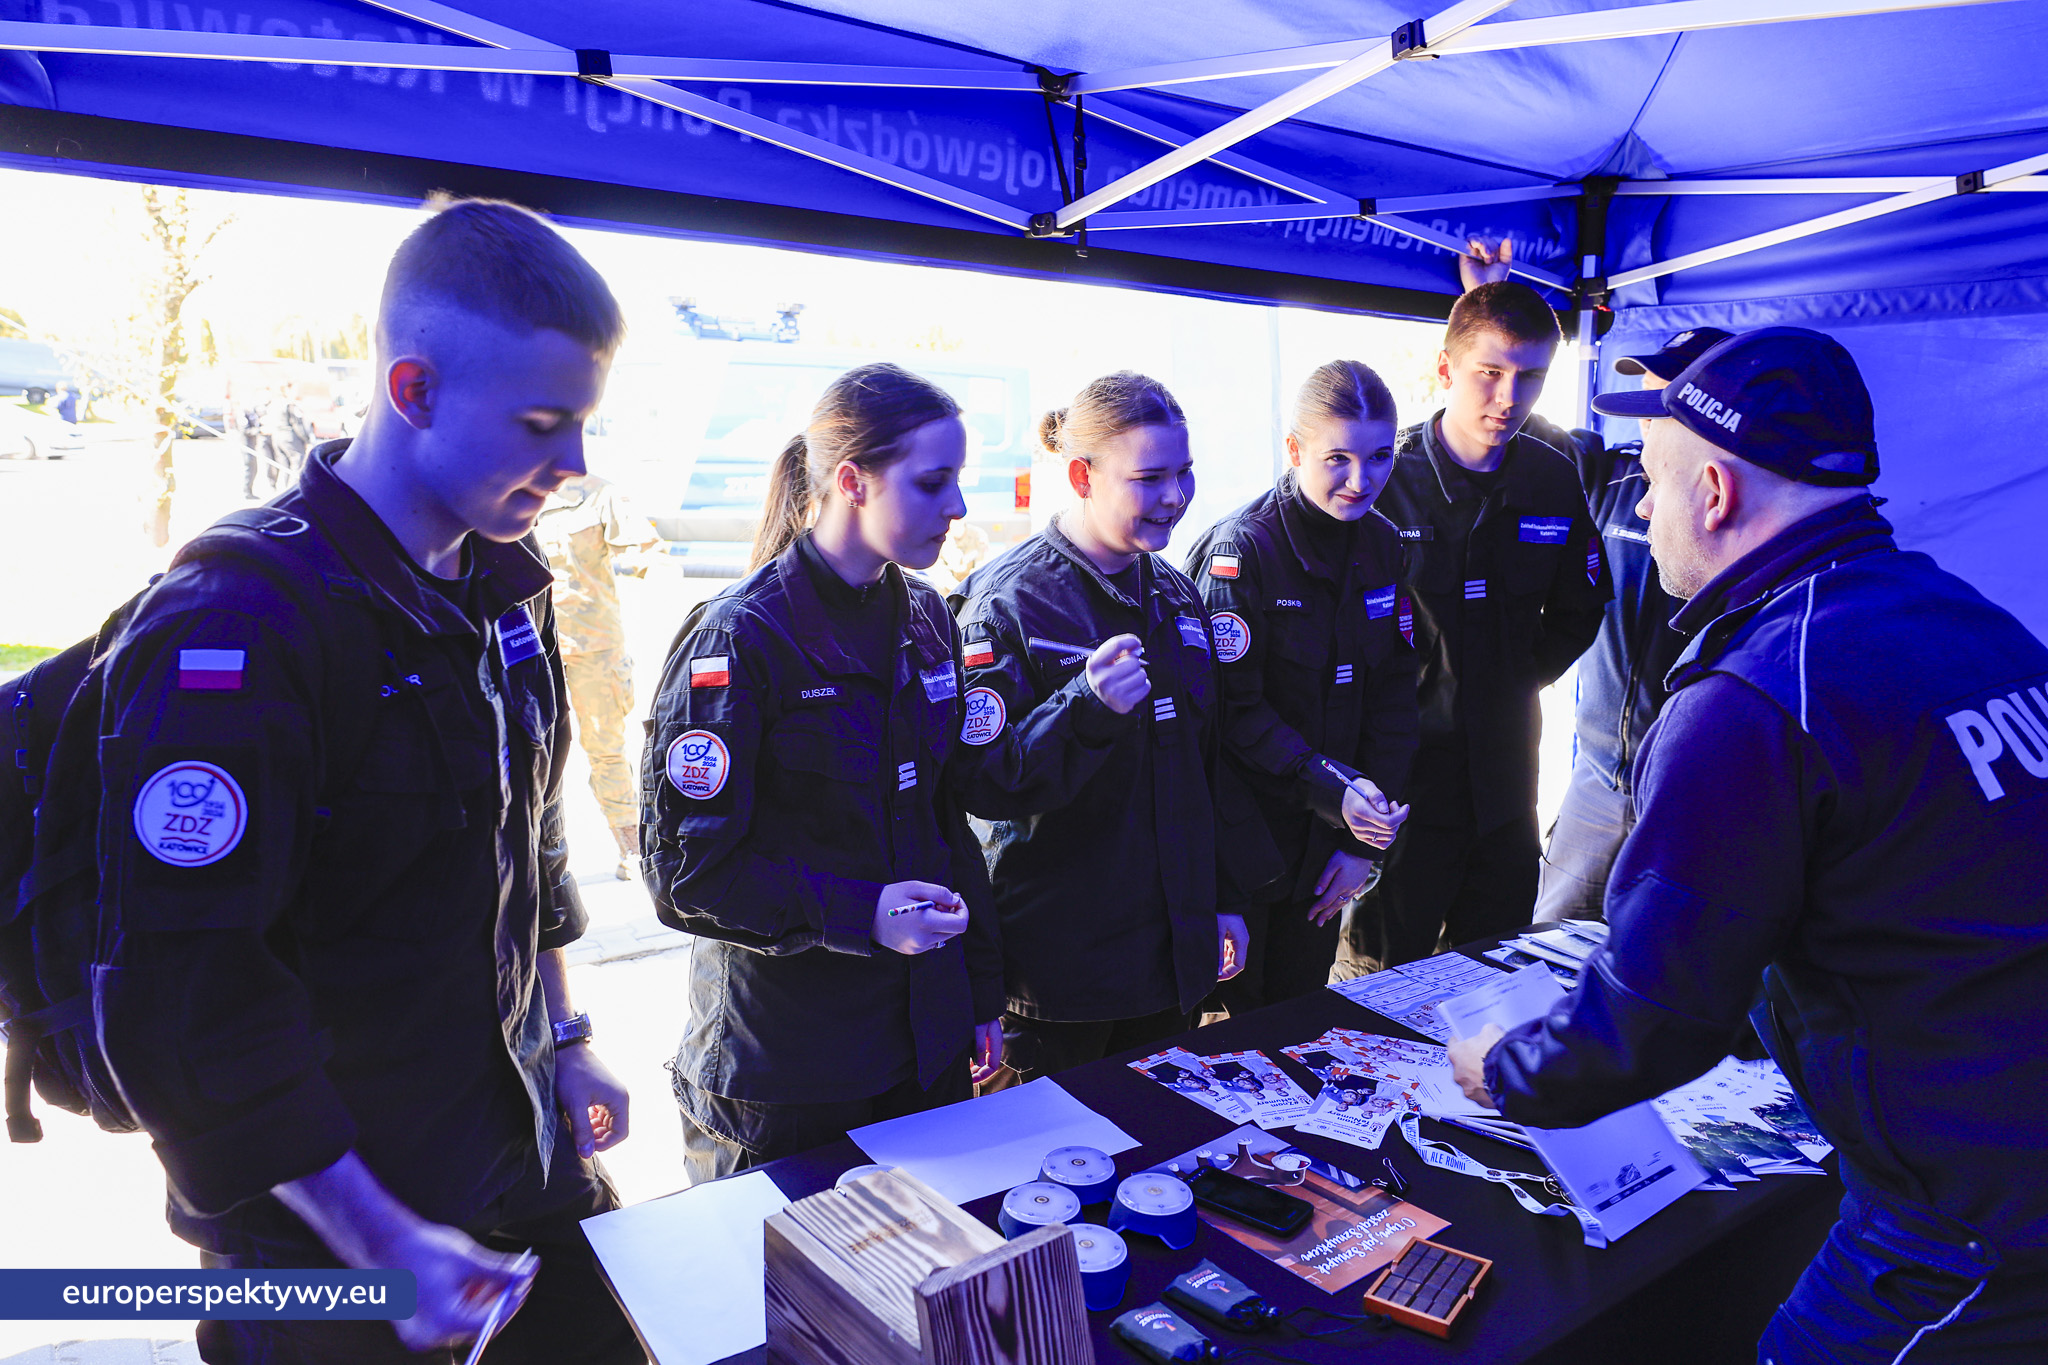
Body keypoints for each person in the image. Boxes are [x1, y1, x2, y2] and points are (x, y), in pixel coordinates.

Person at [89, 198, 642, 1364]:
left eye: (583, 423)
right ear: (414, 391)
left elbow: (525, 841)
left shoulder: (505, 589)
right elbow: (187, 1005)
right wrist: (381, 1243)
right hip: (319, 1257)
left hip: (513, 1174)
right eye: (543, 422)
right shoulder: (237, 627)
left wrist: (567, 1030)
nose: (575, 464)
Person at [1449, 327, 2048, 1362]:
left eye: (1650, 480)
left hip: (1970, 1207)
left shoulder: (1754, 697)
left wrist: (1504, 1070)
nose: (1640, 508)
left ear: (1713, 493)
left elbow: (1653, 1018)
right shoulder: (1973, 621)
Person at [643, 362, 1004, 1181]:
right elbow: (687, 874)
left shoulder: (925, 616)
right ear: (852, 481)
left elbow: (947, 821)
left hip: (921, 1052)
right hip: (790, 1076)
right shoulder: (739, 639)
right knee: (782, 1304)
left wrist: (978, 989)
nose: (957, 507)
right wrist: (863, 912)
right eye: (933, 481)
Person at [951, 372, 1252, 1084]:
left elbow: (1204, 769)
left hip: (1167, 963)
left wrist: (1223, 899)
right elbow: (982, 783)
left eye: (1183, 473)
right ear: (1082, 475)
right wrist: (1083, 704)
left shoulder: (1174, 589)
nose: (1174, 496)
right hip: (1062, 985)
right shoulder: (1007, 605)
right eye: (1149, 478)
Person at [1367, 282, 1610, 964]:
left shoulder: (1552, 478)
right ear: (1446, 371)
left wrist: (1507, 680)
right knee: (1380, 984)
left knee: (1492, 972)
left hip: (1504, 785)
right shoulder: (1384, 478)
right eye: (1490, 373)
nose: (1509, 397)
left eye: (1529, 377)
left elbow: (1580, 608)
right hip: (1402, 787)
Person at [1184, 360, 1419, 1009]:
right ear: (1294, 450)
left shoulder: (1384, 544)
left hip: (1326, 857)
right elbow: (1228, 716)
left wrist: (1357, 843)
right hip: (1241, 850)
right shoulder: (1242, 552)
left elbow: (1395, 698)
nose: (1360, 479)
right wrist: (1333, 789)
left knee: (1299, 1026)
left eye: (1378, 456)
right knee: (1229, 1046)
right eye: (1337, 458)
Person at [1534, 326, 1732, 922]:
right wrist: (1491, 298)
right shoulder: (1606, 473)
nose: (1646, 406)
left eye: (1662, 393)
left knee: (1667, 963)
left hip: (1690, 794)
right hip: (1597, 781)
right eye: (1645, 387)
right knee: (1541, 954)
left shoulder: (1739, 503)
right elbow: (1509, 416)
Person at [535, 474, 660, 879]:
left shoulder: (598, 493)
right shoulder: (515, 484)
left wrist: (638, 571)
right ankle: (533, 853)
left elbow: (649, 552)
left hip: (594, 646)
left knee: (605, 749)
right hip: (534, 643)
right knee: (532, 750)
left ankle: (631, 846)